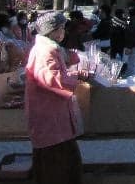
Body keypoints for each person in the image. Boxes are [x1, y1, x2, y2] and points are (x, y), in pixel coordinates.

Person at [25, 11, 90, 183]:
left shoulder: (49, 49)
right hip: (49, 117)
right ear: (52, 31)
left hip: (54, 117)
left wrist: (74, 72)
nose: (64, 32)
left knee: (62, 163)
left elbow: (56, 73)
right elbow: (51, 79)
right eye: (61, 28)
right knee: (56, 167)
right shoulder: (45, 51)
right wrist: (76, 79)